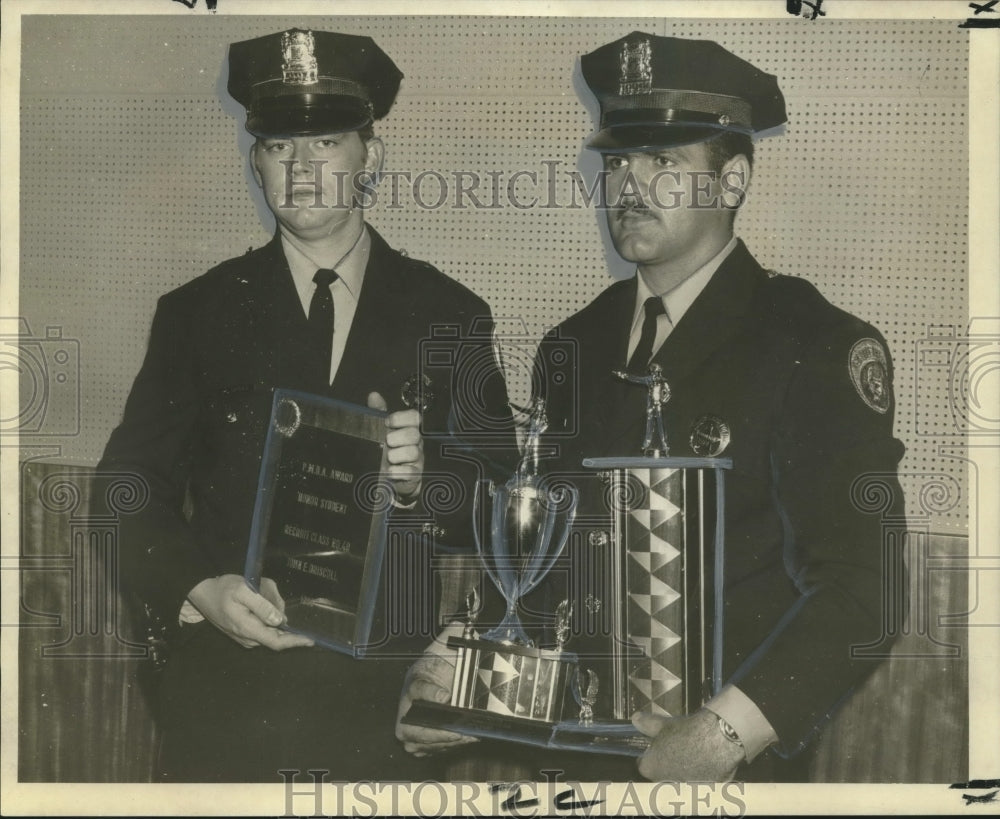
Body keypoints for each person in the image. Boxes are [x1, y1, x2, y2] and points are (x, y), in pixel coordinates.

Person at [397, 31, 905, 783]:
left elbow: (866, 587)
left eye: (664, 162)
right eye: (617, 162)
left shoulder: (813, 345)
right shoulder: (576, 341)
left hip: (725, 772)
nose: (629, 186)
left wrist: (724, 733)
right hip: (574, 764)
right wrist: (454, 673)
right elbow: (546, 559)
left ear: (732, 182)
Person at [100, 28, 511, 782]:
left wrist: (427, 477)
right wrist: (201, 590)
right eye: (278, 146)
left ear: (369, 157)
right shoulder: (197, 312)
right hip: (226, 696)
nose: (300, 168)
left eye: (324, 142)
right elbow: (123, 491)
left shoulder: (448, 314)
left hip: (380, 708)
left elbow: (506, 505)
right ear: (255, 160)